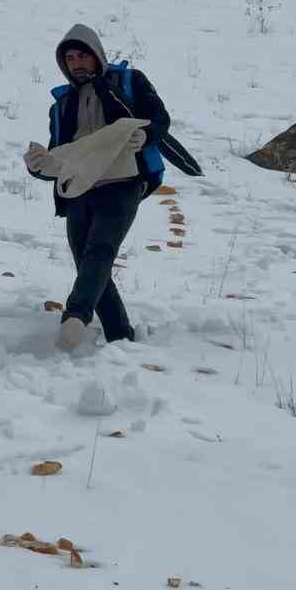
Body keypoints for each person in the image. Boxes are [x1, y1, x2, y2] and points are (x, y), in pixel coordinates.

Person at [25, 24, 200, 351]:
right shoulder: (62, 104)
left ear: (97, 55)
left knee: (101, 250)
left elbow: (159, 119)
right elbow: (60, 156)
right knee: (88, 261)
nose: (76, 63)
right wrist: (39, 167)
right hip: (79, 187)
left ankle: (76, 317)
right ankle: (120, 335)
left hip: (123, 182)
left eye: (83, 56)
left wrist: (146, 135)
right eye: (70, 58)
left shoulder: (129, 82)